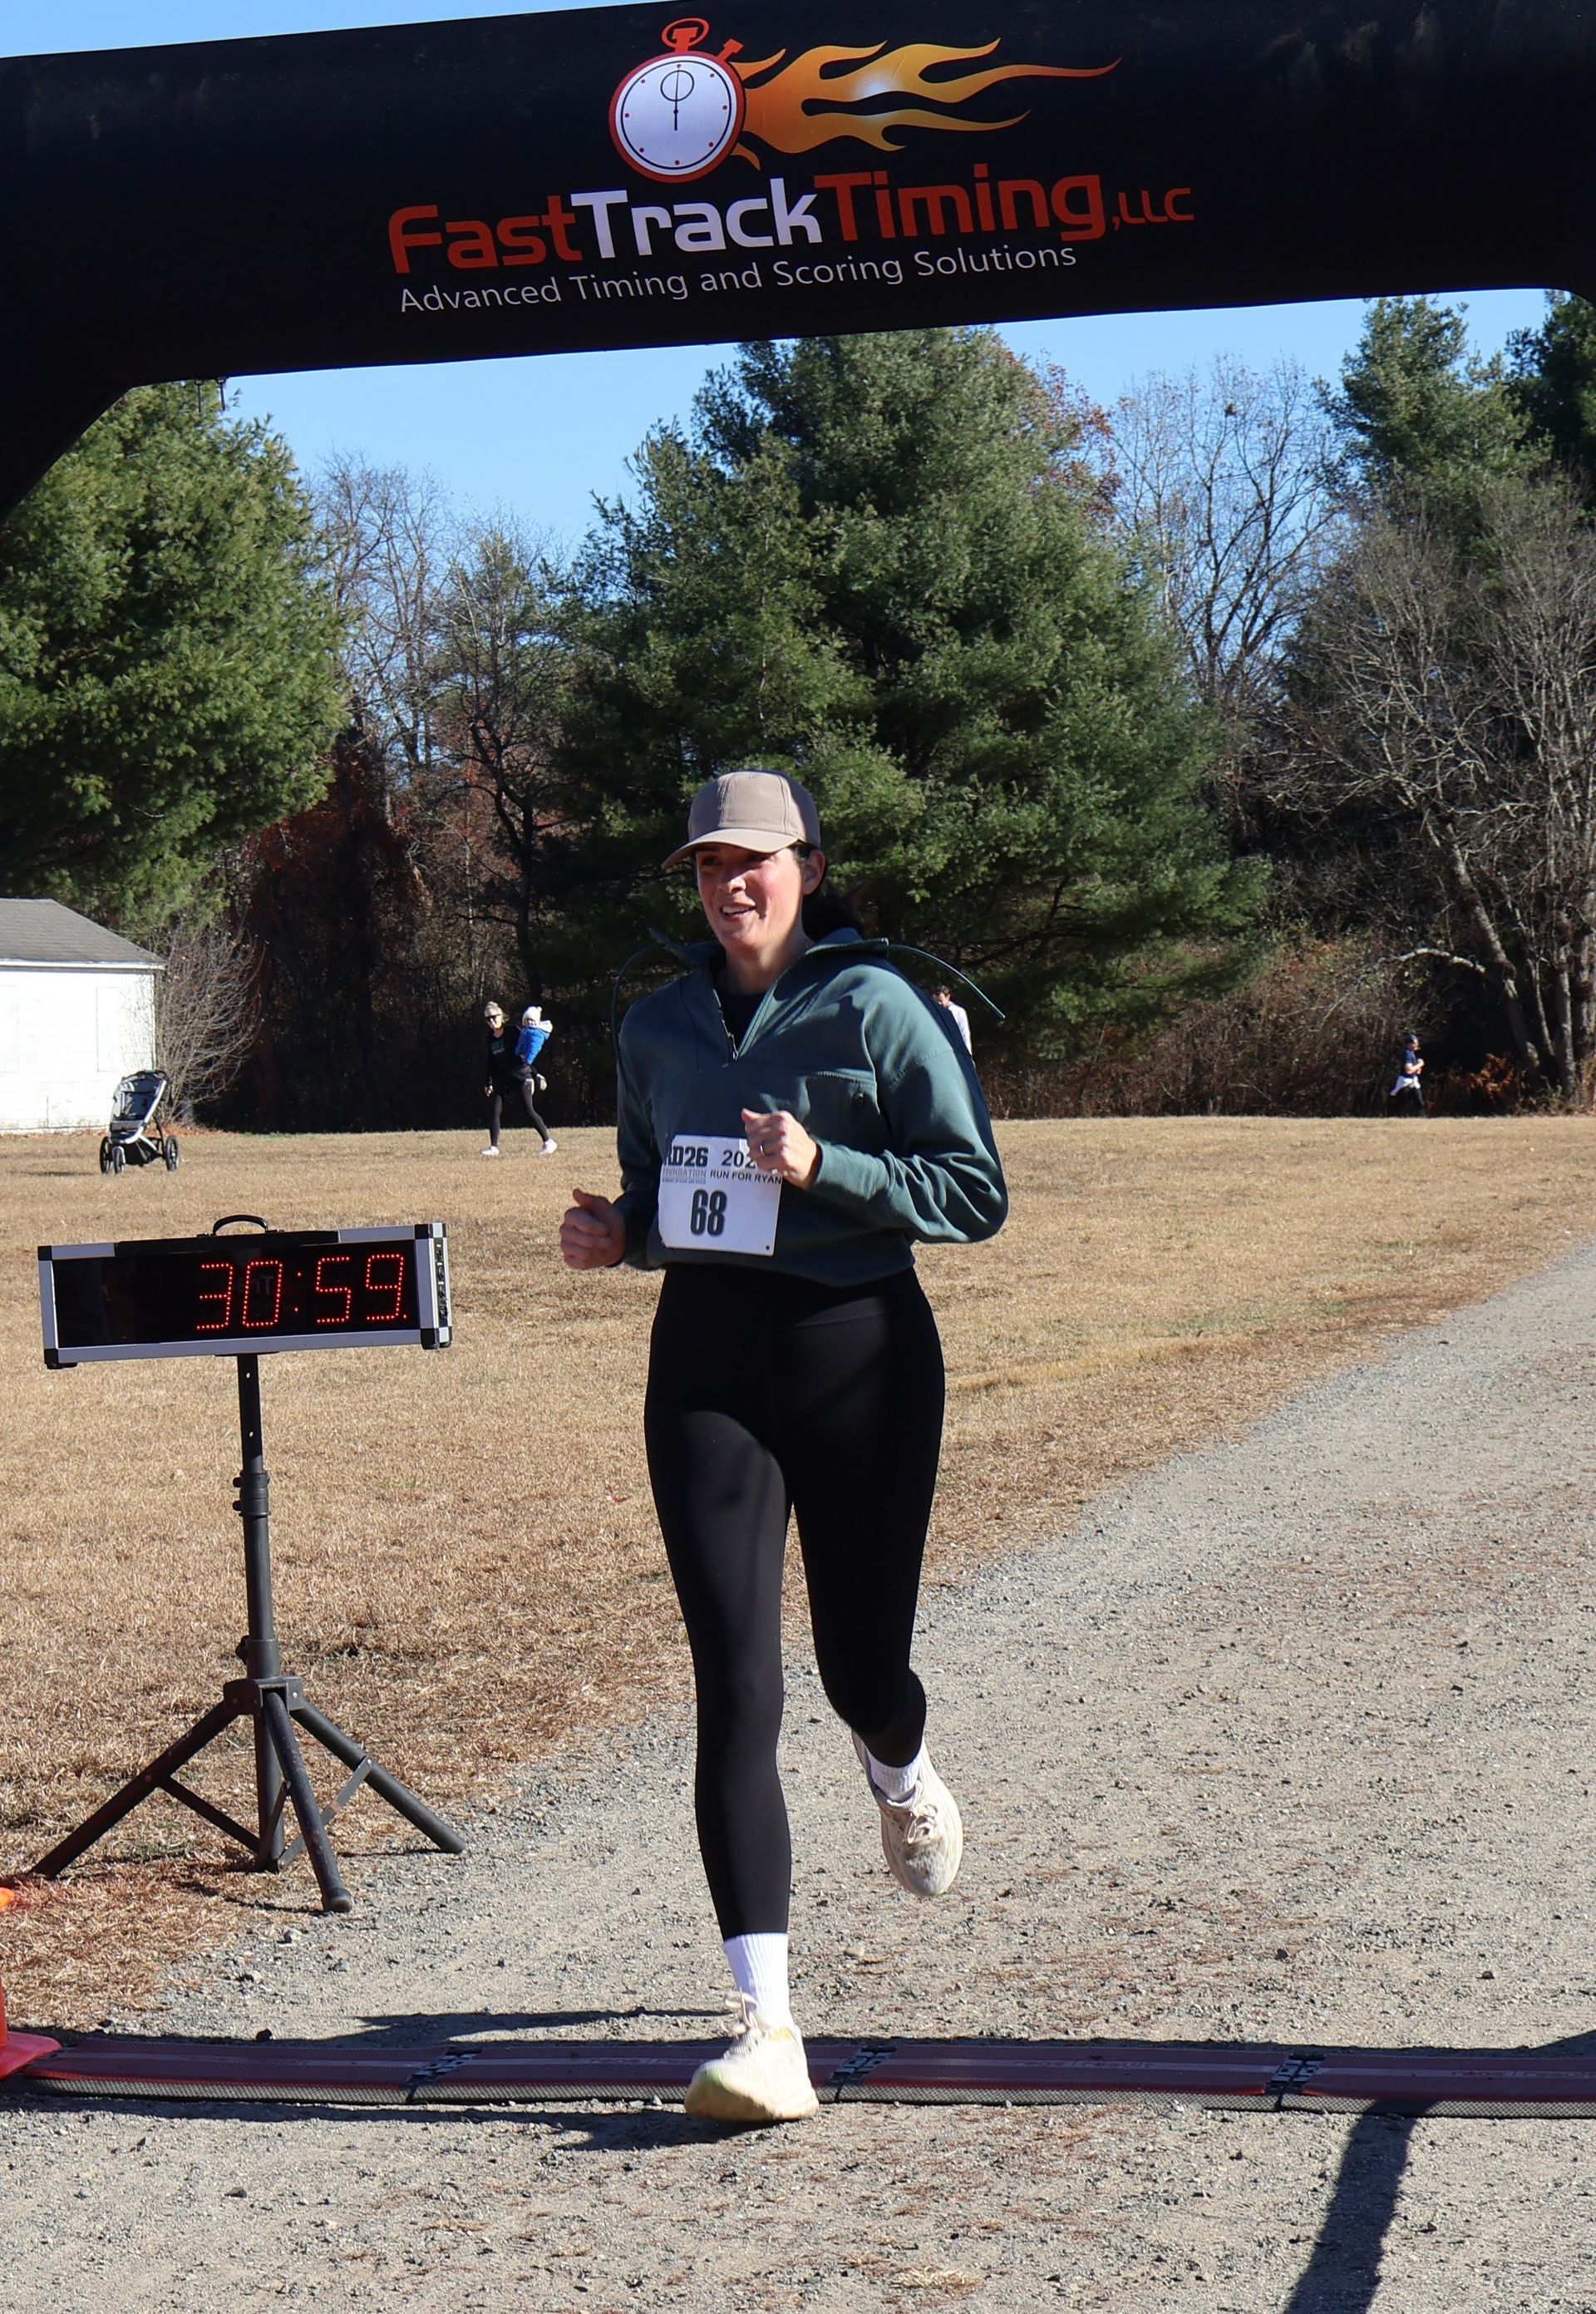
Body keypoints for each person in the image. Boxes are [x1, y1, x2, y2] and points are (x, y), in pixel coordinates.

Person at [560, 769, 1007, 2129]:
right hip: (708, 1361)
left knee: (858, 1667)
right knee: (734, 1688)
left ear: (806, 867)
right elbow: (658, 1193)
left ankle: (900, 1765)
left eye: (754, 860)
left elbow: (974, 1190)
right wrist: (616, 1232)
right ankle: (767, 2029)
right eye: (709, 864)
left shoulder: (877, 1005)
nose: (731, 884)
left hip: (860, 1352)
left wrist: (829, 1167)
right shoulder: (656, 1023)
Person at [480, 999, 557, 1157]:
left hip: (521, 1076)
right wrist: (488, 1083)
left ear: (501, 1016)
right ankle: (493, 1147)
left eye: (494, 1017)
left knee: (528, 1110)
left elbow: (527, 1055)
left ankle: (548, 1142)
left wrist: (536, 1074)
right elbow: (490, 1062)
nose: (491, 1021)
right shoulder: (490, 1039)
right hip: (503, 1079)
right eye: (487, 1019)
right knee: (494, 1110)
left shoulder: (514, 1032)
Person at [1389, 1033, 1426, 1118]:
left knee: (1419, 1103)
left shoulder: (1412, 1054)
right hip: (1405, 1083)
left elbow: (1416, 1071)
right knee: (1401, 1104)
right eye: (1415, 1043)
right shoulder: (1407, 1054)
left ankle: (1422, 1118)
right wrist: (1420, 1064)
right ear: (1409, 1044)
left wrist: (1418, 1067)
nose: (1416, 1045)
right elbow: (1409, 1070)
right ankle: (1394, 1117)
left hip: (1413, 1082)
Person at [935, 985, 973, 1055]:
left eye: (941, 1001)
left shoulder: (958, 1011)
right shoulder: (934, 1011)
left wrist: (968, 1054)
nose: (939, 1004)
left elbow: (965, 1033)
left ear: (948, 997)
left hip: (956, 1050)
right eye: (936, 1001)